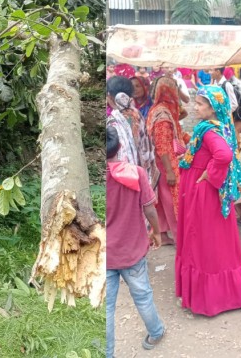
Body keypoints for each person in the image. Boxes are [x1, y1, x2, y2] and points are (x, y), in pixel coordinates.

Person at [175, 85, 241, 317]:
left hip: (205, 194)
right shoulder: (215, 127)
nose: (196, 107)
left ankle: (211, 297)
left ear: (213, 108)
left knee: (205, 241)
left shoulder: (210, 131)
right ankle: (223, 293)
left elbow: (224, 155)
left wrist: (208, 173)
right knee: (212, 240)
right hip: (202, 191)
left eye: (200, 104)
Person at [105, 126, 165, 357]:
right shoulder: (136, 173)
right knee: (142, 296)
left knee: (107, 308)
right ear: (119, 147)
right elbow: (149, 210)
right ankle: (156, 332)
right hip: (133, 251)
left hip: (105, 256)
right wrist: (157, 232)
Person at [146, 76, 188, 244]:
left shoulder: (162, 109)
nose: (178, 92)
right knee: (173, 201)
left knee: (163, 200)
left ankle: (162, 234)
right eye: (175, 88)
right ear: (169, 91)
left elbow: (176, 132)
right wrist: (170, 171)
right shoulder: (163, 115)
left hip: (162, 162)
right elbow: (162, 145)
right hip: (167, 164)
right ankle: (180, 238)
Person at [106, 76, 160, 189]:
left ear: (110, 96)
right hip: (143, 174)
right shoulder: (136, 113)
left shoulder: (113, 122)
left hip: (126, 179)